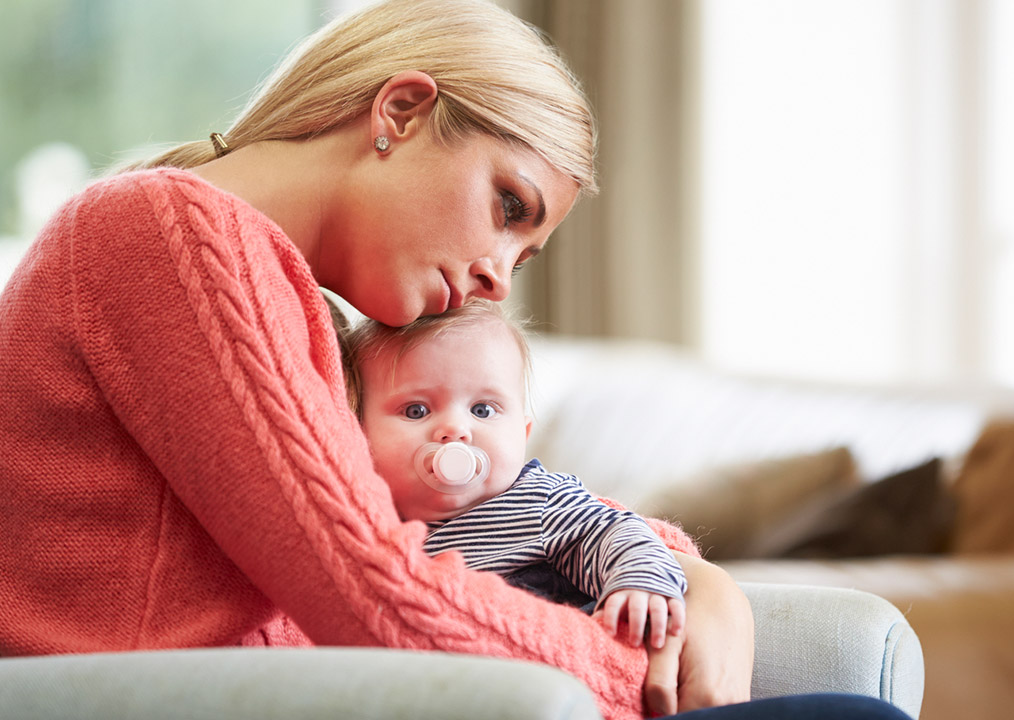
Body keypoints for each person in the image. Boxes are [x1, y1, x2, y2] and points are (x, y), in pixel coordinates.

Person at [0, 1, 909, 718]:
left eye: (524, 255)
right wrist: (633, 665)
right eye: (509, 206)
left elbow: (479, 513)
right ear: (400, 110)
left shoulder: (289, 305)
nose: (495, 281)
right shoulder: (164, 235)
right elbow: (376, 593)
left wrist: (685, 576)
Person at [343, 298, 686, 649]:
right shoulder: (367, 524)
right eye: (416, 410)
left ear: (522, 435)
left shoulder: (539, 500)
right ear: (358, 430)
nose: (455, 429)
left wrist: (638, 581)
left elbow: (614, 530)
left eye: (482, 409)